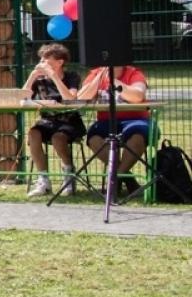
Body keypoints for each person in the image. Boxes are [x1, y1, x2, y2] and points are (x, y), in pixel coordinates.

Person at [76, 61, 150, 195]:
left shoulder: (134, 73)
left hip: (135, 119)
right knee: (94, 138)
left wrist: (113, 79)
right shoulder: (95, 74)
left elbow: (137, 97)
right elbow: (81, 98)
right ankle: (126, 178)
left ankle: (115, 180)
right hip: (106, 121)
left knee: (137, 136)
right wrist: (99, 78)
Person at [21, 42, 83, 197]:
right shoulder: (40, 80)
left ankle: (68, 174)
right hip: (48, 121)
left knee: (58, 138)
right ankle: (43, 181)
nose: (42, 65)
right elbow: (22, 98)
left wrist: (54, 76)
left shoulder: (72, 77)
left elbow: (70, 97)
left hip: (69, 121)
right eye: (41, 61)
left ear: (60, 62)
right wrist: (32, 76)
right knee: (33, 133)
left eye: (46, 62)